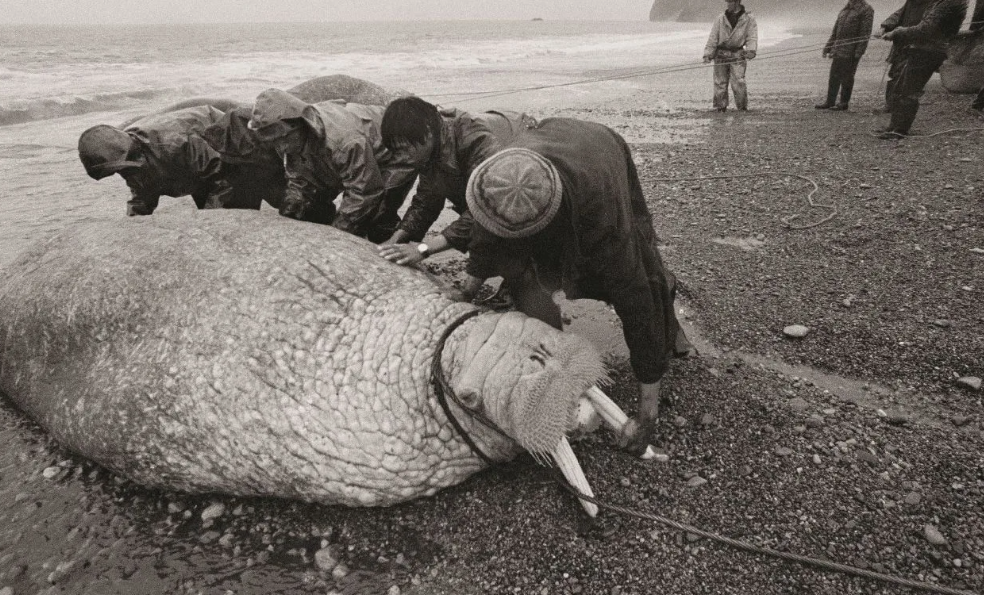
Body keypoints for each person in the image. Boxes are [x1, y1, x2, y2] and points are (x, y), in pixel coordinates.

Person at [457, 117, 694, 456]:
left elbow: (635, 305)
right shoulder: (497, 180)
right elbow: (484, 237)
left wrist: (647, 414)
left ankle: (670, 324)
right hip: (552, 138)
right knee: (523, 277)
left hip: (602, 149)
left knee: (645, 268)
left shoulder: (601, 218)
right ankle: (553, 358)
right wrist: (465, 292)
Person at [375, 96, 535, 265]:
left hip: (523, 157)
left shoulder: (474, 139)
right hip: (492, 173)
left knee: (505, 230)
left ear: (428, 132)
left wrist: (423, 249)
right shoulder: (429, 147)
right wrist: (395, 240)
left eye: (405, 149)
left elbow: (486, 208)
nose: (403, 157)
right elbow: (426, 202)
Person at [245, 88, 416, 242]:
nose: (281, 147)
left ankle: (395, 249)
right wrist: (291, 211)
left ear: (300, 125)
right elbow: (300, 182)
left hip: (397, 150)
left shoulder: (344, 140)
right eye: (274, 142)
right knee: (309, 206)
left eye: (283, 139)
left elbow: (364, 192)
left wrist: (336, 237)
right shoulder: (294, 136)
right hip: (353, 150)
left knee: (378, 214)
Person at [879, 0, 976, 139]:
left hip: (929, 50)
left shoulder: (952, 0)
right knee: (902, 88)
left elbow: (926, 28)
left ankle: (899, 130)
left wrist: (898, 32)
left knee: (909, 91)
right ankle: (894, 126)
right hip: (925, 48)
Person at [78, 106, 233, 216]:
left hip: (228, 139)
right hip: (197, 168)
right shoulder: (130, 161)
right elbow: (143, 195)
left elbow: (223, 175)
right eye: (115, 171)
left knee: (223, 211)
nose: (121, 174)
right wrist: (134, 223)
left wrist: (212, 217)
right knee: (206, 204)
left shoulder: (174, 143)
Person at [875, 0, 938, 113]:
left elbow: (925, 29)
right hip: (900, 47)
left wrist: (896, 33)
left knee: (905, 80)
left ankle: (898, 110)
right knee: (894, 75)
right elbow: (897, 15)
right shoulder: (910, 3)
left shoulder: (934, 5)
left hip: (916, 49)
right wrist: (884, 27)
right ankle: (890, 105)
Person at [816, 0, 874, 111]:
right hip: (838, 48)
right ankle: (830, 101)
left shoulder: (866, 10)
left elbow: (865, 34)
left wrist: (859, 52)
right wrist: (828, 47)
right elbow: (835, 32)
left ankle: (843, 103)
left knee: (847, 77)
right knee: (834, 75)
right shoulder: (844, 10)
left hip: (852, 49)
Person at [702, 0, 758, 112]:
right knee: (720, 82)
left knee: (739, 82)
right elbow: (713, 37)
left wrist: (751, 50)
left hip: (738, 54)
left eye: (730, 2)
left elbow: (752, 36)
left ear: (737, 2)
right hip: (721, 54)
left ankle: (742, 107)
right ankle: (720, 107)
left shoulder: (748, 19)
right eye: (727, 2)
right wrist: (708, 54)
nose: (727, 5)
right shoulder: (720, 18)